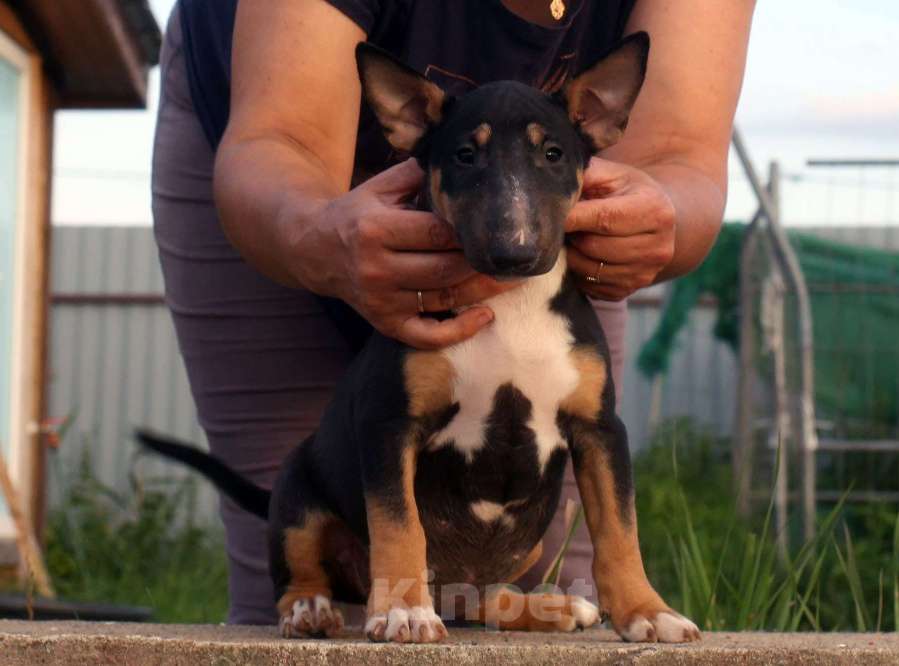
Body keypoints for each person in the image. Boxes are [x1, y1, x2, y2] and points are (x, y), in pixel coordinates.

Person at [151, 0, 755, 625]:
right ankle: (334, 593)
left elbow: (678, 154)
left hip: (540, 244)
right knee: (306, 584)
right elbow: (283, 136)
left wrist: (651, 221)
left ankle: (505, 600)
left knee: (560, 575)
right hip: (277, 152)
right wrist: (314, 234)